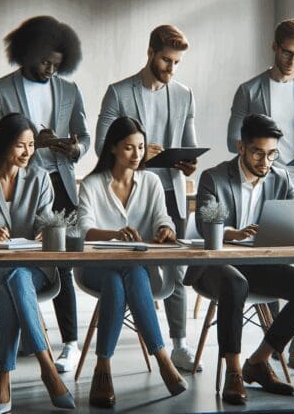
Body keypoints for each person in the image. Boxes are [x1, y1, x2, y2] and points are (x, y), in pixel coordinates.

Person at [185, 114, 294, 405]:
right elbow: (204, 222)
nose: (266, 161)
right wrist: (231, 233)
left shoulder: (280, 177)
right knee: (235, 283)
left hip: (259, 264)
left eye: (272, 154)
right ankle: (234, 371)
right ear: (241, 147)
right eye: (258, 153)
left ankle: (259, 361)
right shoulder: (214, 177)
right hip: (215, 265)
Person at [0, 16, 89, 372]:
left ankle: (70, 344)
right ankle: (8, 339)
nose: (50, 69)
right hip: (15, 183)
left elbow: (84, 136)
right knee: (3, 255)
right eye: (45, 62)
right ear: (26, 53)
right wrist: (32, 143)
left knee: (61, 262)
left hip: (60, 183)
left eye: (57, 64)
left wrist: (75, 149)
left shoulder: (70, 90)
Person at [226, 18, 294, 368]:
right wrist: (261, 153)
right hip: (264, 180)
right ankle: (274, 336)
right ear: (274, 47)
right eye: (288, 53)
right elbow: (232, 140)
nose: (292, 61)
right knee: (267, 254)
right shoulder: (249, 90)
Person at [95, 24, 199, 371]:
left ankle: (180, 344)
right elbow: (101, 147)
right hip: (129, 192)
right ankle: (119, 346)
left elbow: (189, 144)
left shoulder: (184, 94)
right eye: (167, 60)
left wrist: (189, 162)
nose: (172, 69)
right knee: (128, 263)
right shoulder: (119, 92)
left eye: (177, 63)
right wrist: (141, 157)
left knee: (175, 268)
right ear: (151, 53)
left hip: (170, 190)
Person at [0, 113, 75, 412]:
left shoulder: (40, 178)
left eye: (31, 145)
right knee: (14, 279)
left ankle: (4, 378)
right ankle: (47, 369)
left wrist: (44, 231)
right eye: (21, 145)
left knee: (15, 279)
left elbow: (46, 221)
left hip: (32, 269)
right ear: (2, 144)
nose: (28, 152)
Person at [77, 116, 188, 408]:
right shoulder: (92, 184)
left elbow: (163, 218)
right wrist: (114, 234)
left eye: (140, 147)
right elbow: (83, 229)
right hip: (95, 268)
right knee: (123, 271)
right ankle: (163, 359)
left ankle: (103, 368)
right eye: (129, 147)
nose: (137, 154)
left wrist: (166, 229)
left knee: (120, 279)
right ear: (113, 148)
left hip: (138, 270)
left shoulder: (151, 182)